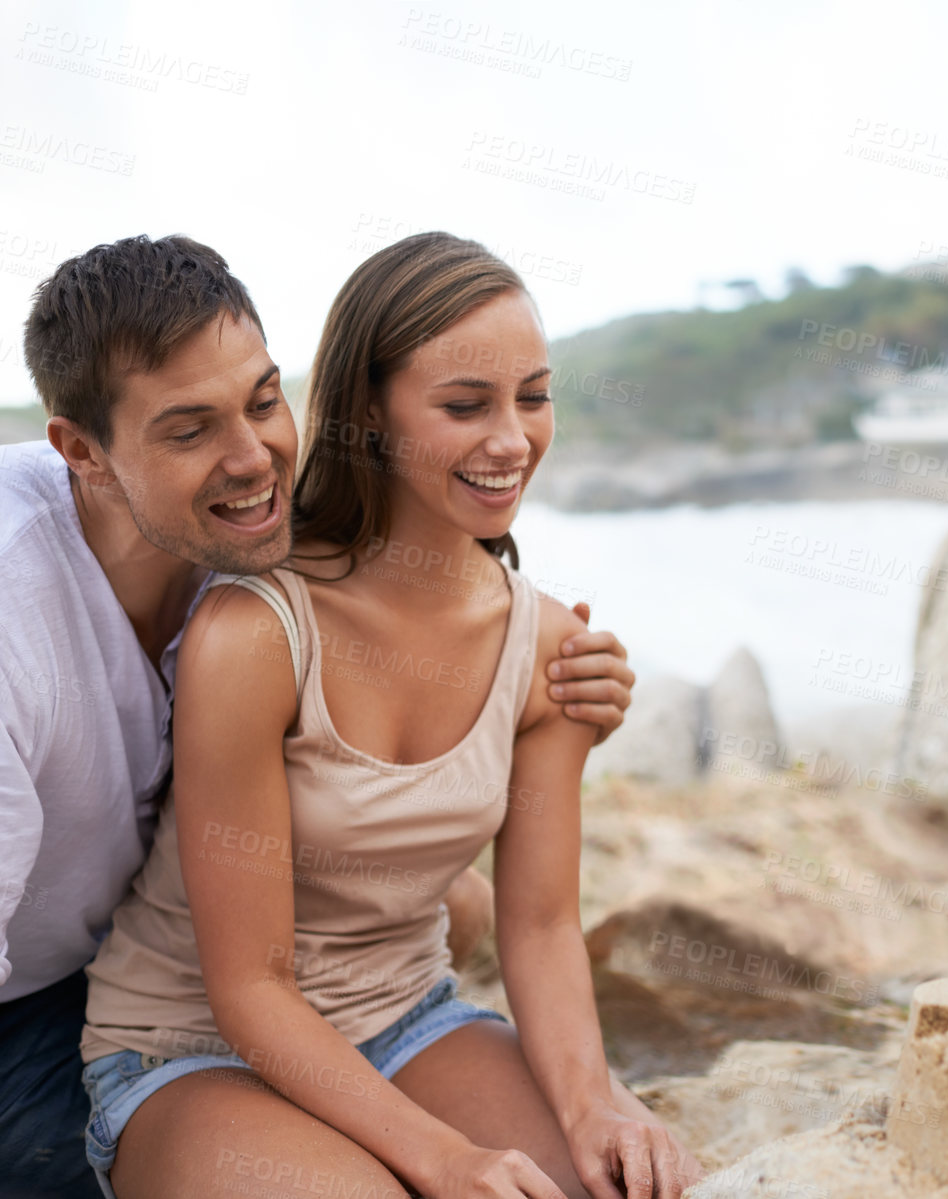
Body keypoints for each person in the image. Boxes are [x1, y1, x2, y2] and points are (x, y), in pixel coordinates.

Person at [0, 234, 637, 1198]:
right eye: (190, 429)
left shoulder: (256, 519)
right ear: (83, 452)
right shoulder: (35, 621)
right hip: (74, 1009)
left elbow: (539, 917)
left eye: (263, 400)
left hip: (363, 991)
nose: (253, 459)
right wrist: (440, 1154)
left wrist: (569, 684)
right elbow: (246, 985)